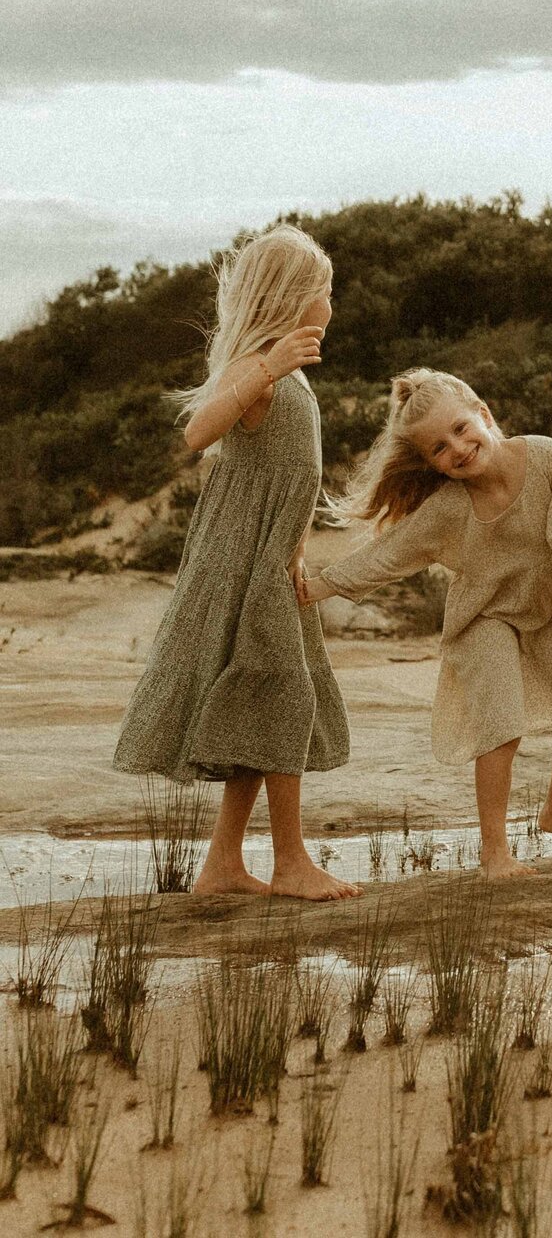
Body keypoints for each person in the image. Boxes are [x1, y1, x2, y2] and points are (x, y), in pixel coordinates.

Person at [113, 225, 358, 902]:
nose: (331, 305)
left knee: (264, 701)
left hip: (275, 565)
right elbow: (197, 433)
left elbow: (292, 481)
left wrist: (300, 554)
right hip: (244, 567)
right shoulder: (259, 371)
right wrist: (269, 367)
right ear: (293, 298)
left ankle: (222, 864)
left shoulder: (291, 381)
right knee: (284, 698)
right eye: (325, 290)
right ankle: (289, 863)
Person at [300, 369, 552, 880]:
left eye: (463, 430)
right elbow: (389, 554)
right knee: (500, 729)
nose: (459, 449)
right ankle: (495, 854)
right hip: (483, 617)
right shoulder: (448, 506)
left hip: (550, 600)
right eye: (440, 449)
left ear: (484, 416)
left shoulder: (546, 455)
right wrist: (320, 586)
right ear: (431, 465)